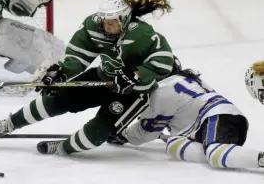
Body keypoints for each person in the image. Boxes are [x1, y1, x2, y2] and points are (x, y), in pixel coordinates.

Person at [0, 0, 177, 155]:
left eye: (112, 22)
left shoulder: (141, 34)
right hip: (104, 77)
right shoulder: (94, 26)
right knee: (58, 97)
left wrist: (136, 75)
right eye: (104, 21)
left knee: (98, 130)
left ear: (124, 19)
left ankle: (64, 148)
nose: (106, 27)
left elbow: (165, 60)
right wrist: (62, 74)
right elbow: (77, 56)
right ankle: (8, 124)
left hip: (133, 92)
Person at [107, 61, 264, 170]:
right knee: (174, 145)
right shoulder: (185, 78)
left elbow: (146, 132)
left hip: (215, 117)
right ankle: (233, 156)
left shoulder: (162, 91)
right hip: (220, 120)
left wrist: (122, 135)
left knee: (215, 155)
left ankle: (259, 159)